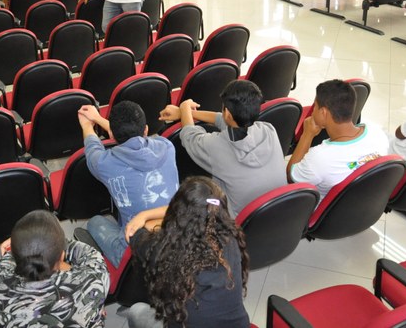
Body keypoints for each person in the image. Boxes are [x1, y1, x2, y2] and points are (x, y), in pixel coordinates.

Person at [126, 177, 250, 328]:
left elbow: (134, 233)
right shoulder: (231, 239)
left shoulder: (165, 251)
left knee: (136, 311)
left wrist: (143, 215)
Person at [155, 80, 286, 217]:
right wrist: (185, 113)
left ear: (228, 113)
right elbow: (225, 120)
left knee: (194, 196)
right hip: (275, 213)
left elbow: (190, 136)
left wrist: (184, 106)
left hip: (237, 222)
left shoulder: (216, 146)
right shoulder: (269, 130)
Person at [77, 101, 178, 267]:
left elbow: (92, 146)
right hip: (176, 234)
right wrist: (99, 118)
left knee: (95, 222)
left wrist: (88, 124)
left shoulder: (105, 163)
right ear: (145, 129)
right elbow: (129, 137)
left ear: (112, 136)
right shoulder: (167, 146)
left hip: (134, 252)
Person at [0, 210, 109, 327]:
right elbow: (89, 254)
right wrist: (54, 241)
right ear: (62, 255)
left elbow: (8, 261)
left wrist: (23, 244)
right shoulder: (93, 281)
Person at [287, 79, 389, 198]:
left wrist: (307, 135)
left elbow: (291, 177)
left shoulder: (320, 158)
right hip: (362, 203)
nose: (313, 111)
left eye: (315, 107)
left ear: (323, 112)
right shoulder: (378, 133)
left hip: (323, 213)